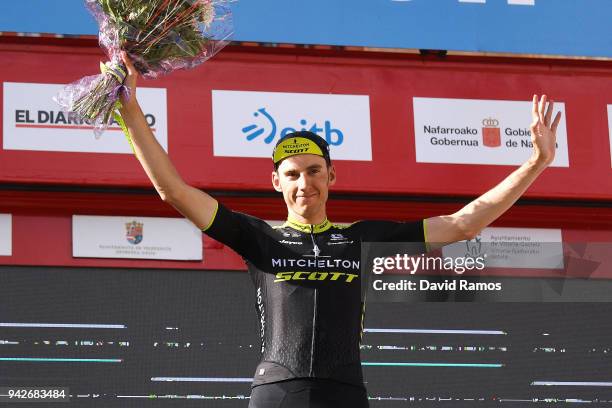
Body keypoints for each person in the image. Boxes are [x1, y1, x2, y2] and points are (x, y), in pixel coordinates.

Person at [117, 52, 561, 408]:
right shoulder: (258, 237)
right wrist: (132, 110)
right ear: (276, 182)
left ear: (332, 176)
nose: (303, 183)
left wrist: (536, 161)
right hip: (277, 392)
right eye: (291, 174)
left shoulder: (361, 238)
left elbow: (463, 224)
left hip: (345, 391)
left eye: (313, 171)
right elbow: (173, 190)